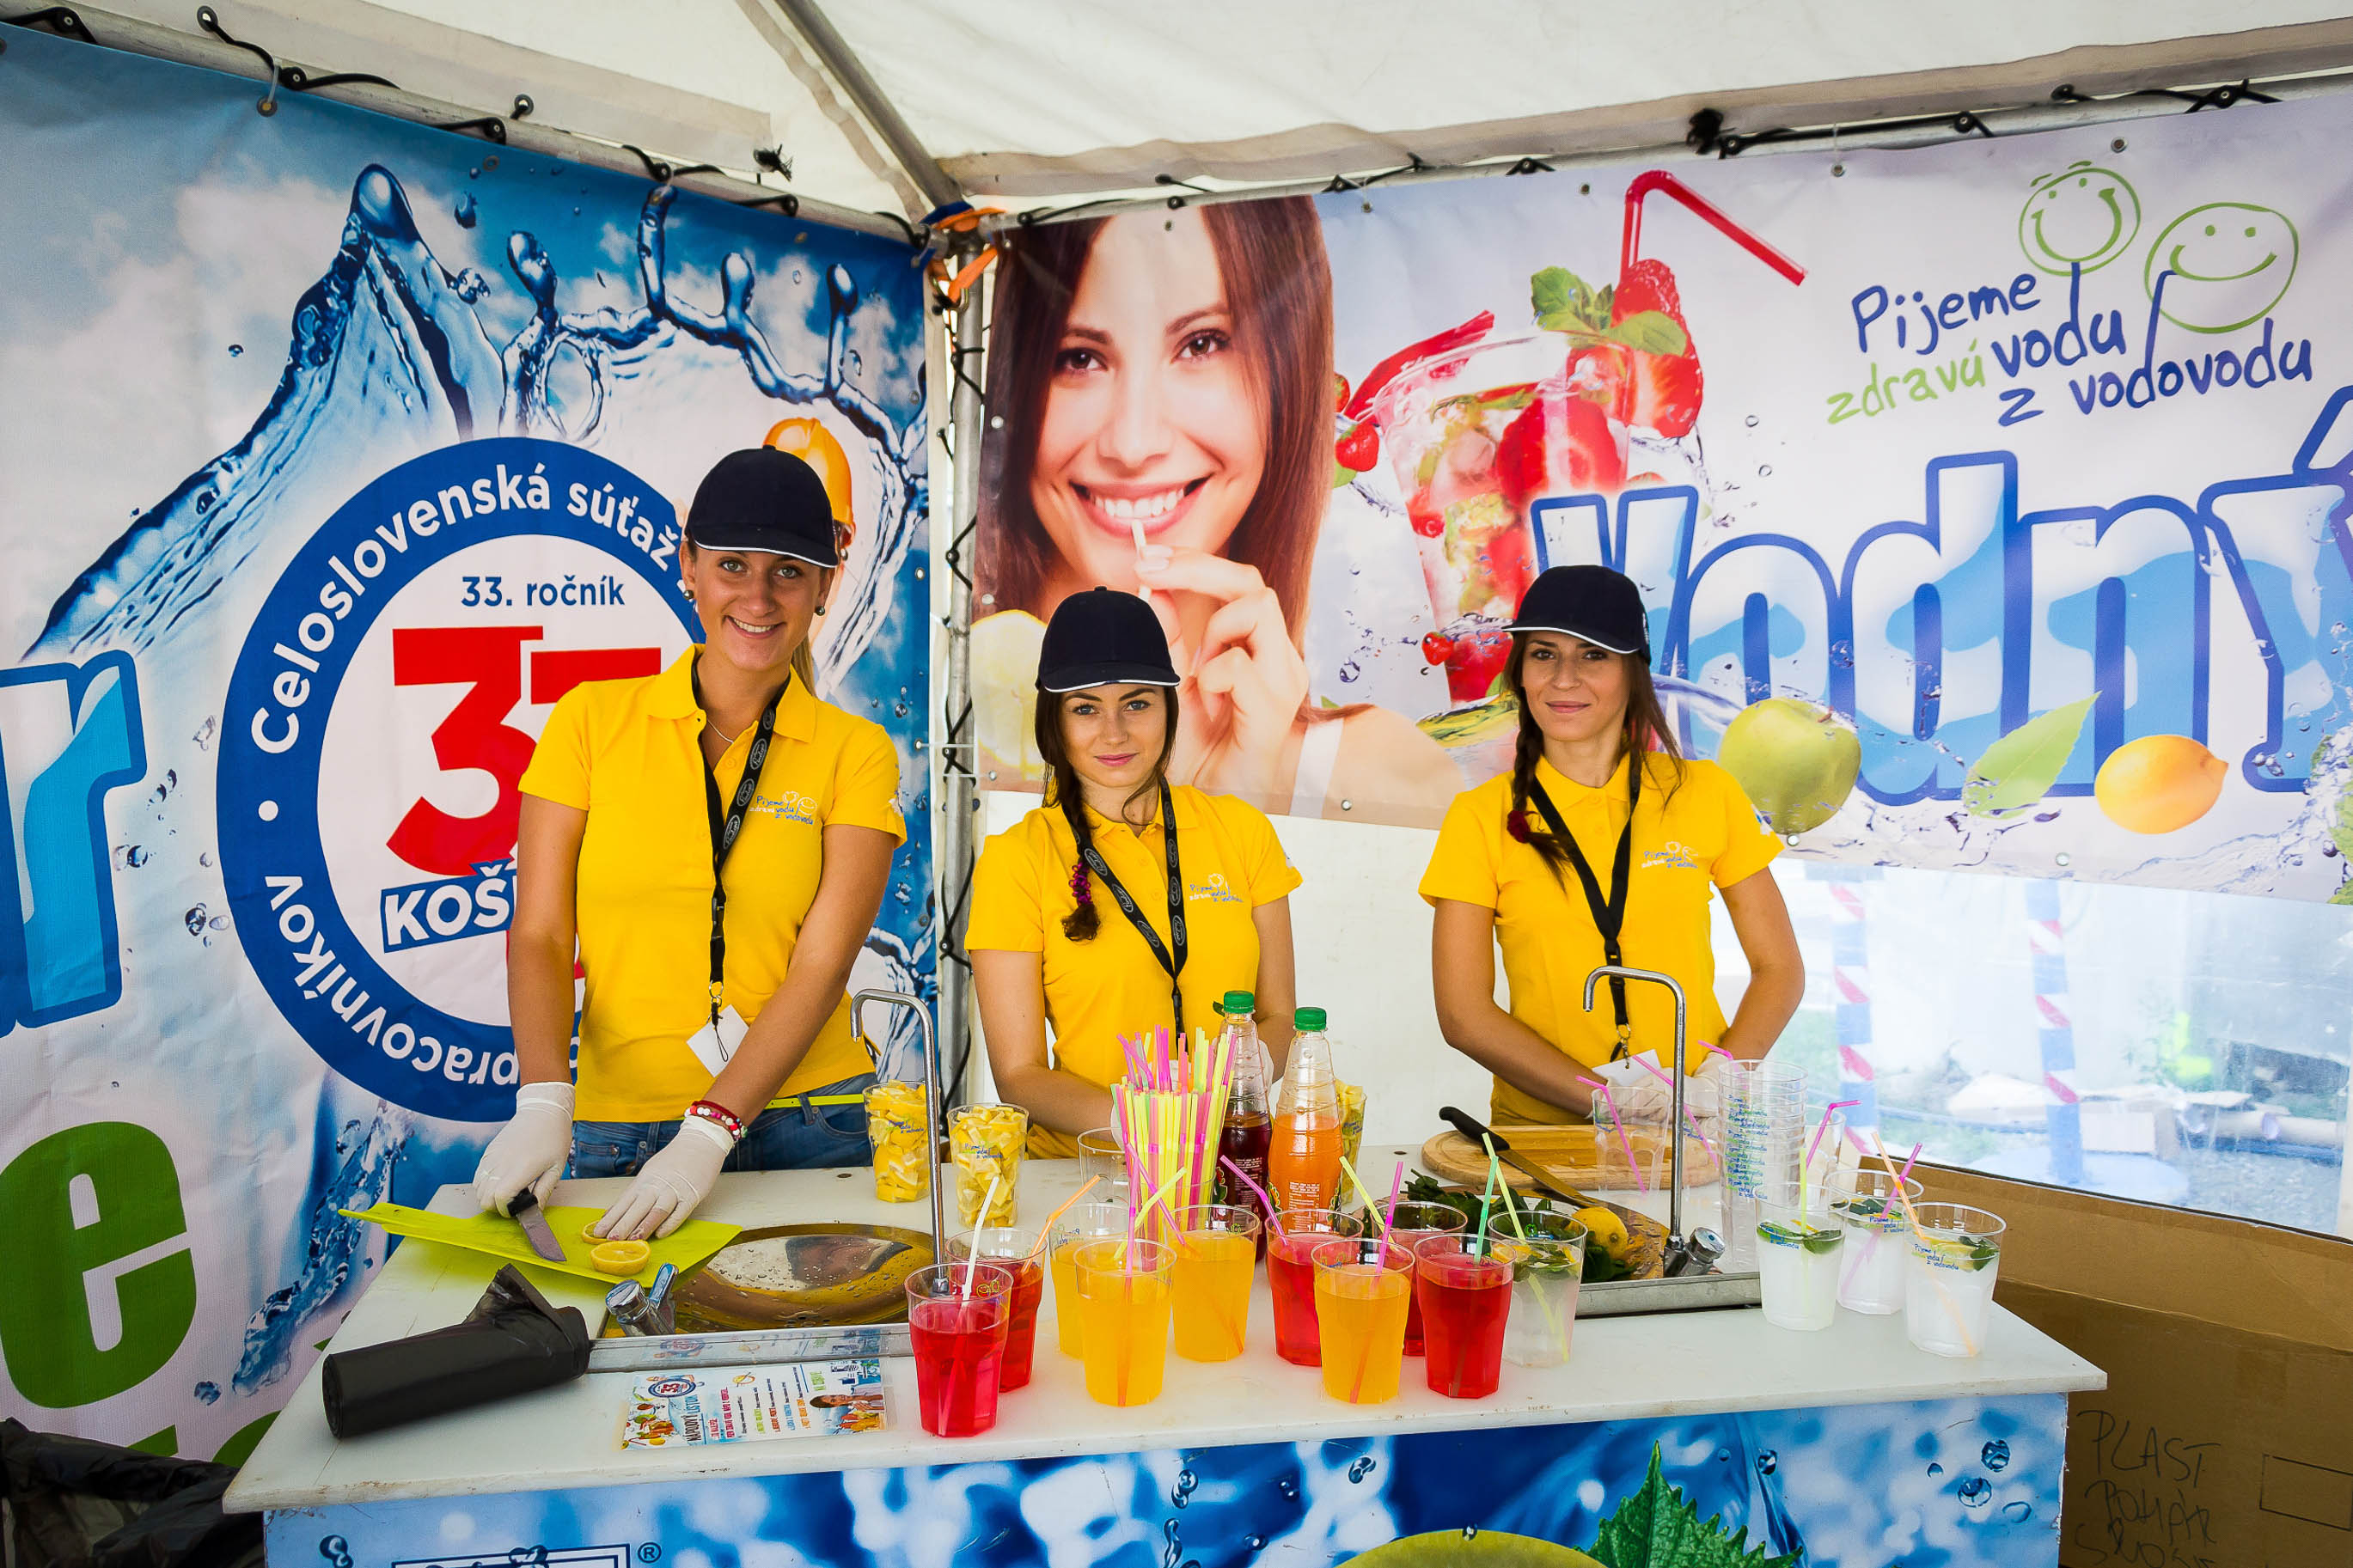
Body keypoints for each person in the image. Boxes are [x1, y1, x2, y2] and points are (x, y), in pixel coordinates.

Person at [473, 447, 906, 1238]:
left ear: (823, 588)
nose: (758, 597)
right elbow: (540, 932)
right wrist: (542, 1099)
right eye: (733, 565)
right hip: (618, 1124)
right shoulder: (589, 721)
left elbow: (822, 966)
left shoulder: (857, 751)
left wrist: (711, 1129)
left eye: (788, 572)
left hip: (810, 1119)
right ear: (689, 567)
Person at [977, 200, 1459, 823]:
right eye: (1079, 358)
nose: (1133, 444)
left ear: (1287, 382)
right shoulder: (944, 745)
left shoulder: (1387, 780)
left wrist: (1232, 803)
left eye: (1201, 345)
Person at [1421, 564, 1803, 1123]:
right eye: (1544, 654)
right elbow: (1464, 1016)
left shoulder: (1705, 792)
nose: (1564, 679)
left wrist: (1716, 1085)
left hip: (1690, 1131)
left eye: (1594, 655)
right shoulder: (1479, 816)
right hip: (1542, 1138)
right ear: (1520, 672)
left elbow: (1780, 968)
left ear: (1633, 671)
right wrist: (1611, 1102)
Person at [969, 588, 1301, 1156]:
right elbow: (1019, 1075)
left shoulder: (1242, 831)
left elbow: (1280, 1017)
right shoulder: (1018, 857)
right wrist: (1152, 1125)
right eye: (1085, 708)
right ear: (1054, 722)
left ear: (1169, 708)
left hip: (1227, 1162)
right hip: (1084, 1172)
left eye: (1137, 703)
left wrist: (1232, 1093)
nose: (1114, 732)